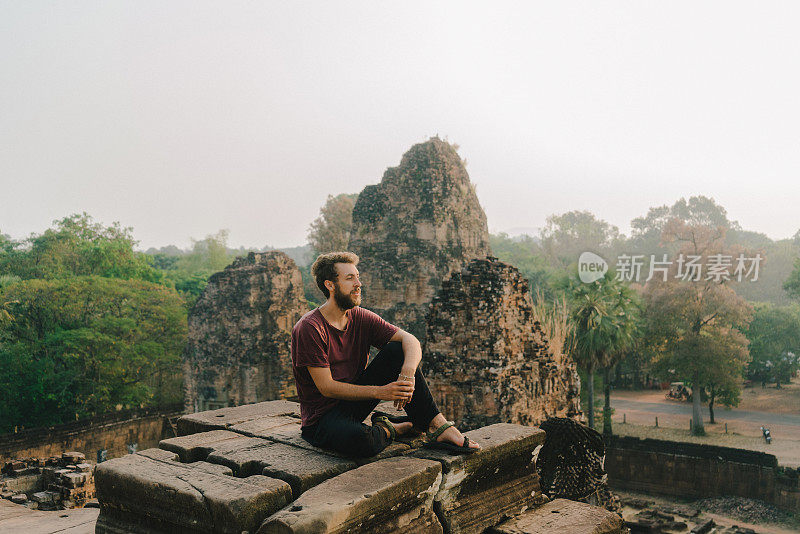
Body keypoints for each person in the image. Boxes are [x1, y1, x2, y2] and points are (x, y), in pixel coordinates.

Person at [291, 251, 480, 457]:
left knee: (398, 350)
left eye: (358, 277)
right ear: (330, 285)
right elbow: (327, 388)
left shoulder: (359, 317)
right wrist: (382, 392)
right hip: (322, 419)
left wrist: (407, 374)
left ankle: (437, 425)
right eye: (349, 278)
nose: (358, 283)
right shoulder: (310, 328)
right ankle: (393, 427)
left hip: (353, 406)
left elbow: (411, 340)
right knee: (363, 442)